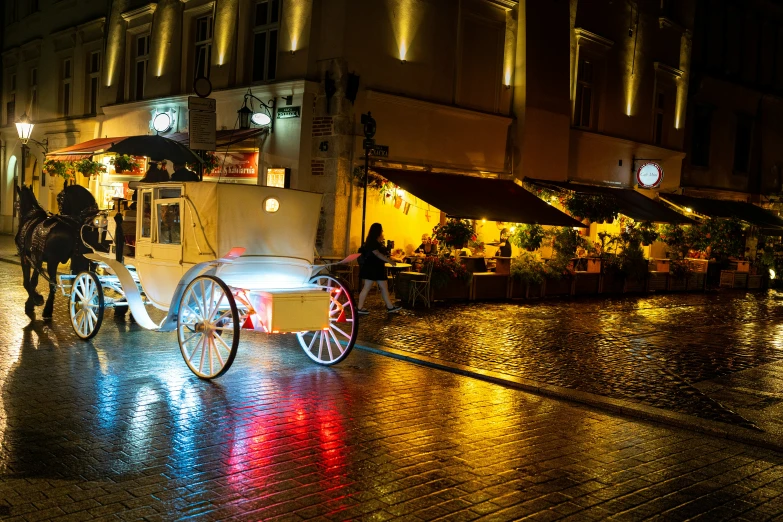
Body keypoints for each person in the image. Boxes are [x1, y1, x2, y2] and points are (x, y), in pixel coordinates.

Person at [357, 223, 402, 314]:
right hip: (374, 268)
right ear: (377, 231)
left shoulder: (372, 241)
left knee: (377, 287)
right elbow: (377, 254)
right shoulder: (372, 242)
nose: (382, 232)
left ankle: (360, 307)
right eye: (381, 230)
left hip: (373, 268)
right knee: (378, 287)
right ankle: (389, 307)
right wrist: (390, 261)